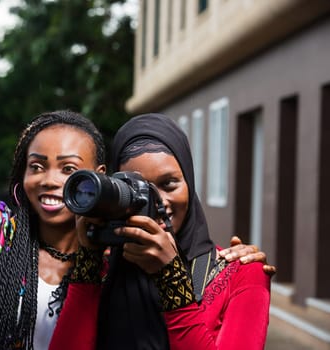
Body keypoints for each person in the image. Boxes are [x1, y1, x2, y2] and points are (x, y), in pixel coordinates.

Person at [0, 22, 272, 350]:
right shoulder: (1, 234)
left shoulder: (116, 259)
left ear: (100, 178)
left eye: (69, 169)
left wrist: (220, 268)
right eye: (37, 166)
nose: (51, 180)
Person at [90, 113, 271, 349]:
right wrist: (86, 260)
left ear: (190, 183)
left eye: (169, 184)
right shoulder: (100, 270)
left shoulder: (242, 274)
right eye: (139, 188)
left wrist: (172, 279)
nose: (157, 201)